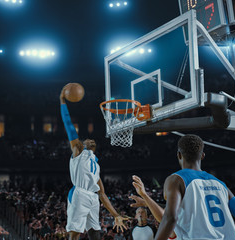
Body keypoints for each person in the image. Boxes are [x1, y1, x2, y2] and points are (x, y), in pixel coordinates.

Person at [154, 134, 235, 240]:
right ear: (202, 155)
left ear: (179, 155)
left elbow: (170, 218)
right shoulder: (221, 185)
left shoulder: (176, 180)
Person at [60, 87, 128, 240]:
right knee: (75, 233)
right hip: (79, 193)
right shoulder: (79, 151)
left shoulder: (96, 165)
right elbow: (69, 126)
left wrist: (116, 215)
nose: (89, 140)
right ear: (83, 144)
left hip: (93, 197)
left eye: (92, 141)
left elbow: (102, 194)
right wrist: (62, 101)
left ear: (95, 148)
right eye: (86, 140)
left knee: (95, 231)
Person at [129, 176, 176, 240]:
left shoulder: (154, 228)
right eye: (139, 212)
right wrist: (145, 202)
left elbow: (165, 217)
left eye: (142, 212)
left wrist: (144, 196)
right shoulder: (132, 230)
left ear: (146, 216)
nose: (140, 214)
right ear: (135, 216)